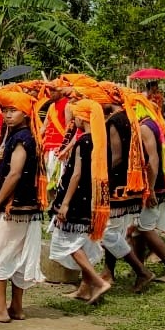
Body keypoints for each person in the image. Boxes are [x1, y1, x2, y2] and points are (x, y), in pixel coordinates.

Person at [0, 87, 46, 322]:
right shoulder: (24, 135)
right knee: (17, 254)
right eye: (5, 110)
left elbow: (14, 174)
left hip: (11, 208)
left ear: (25, 113)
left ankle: (0, 309)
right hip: (26, 207)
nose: (7, 115)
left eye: (13, 110)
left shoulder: (21, 138)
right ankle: (16, 307)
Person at [50, 100, 113, 304]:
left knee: (68, 243)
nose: (74, 120)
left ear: (83, 118)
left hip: (77, 198)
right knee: (83, 243)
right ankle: (84, 290)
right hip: (91, 197)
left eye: (76, 116)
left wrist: (65, 203)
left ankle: (98, 282)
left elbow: (76, 174)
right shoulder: (100, 140)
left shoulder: (84, 141)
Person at [99, 83, 156, 293]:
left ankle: (142, 271)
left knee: (107, 232)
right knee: (114, 231)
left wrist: (100, 177)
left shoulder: (115, 121)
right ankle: (108, 272)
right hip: (129, 183)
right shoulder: (129, 117)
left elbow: (116, 157)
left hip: (117, 184)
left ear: (110, 100)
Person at [128, 92, 165, 286]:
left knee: (145, 228)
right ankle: (140, 270)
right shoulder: (150, 124)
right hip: (150, 185)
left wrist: (150, 189)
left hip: (152, 186)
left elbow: (153, 160)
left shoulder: (145, 127)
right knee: (139, 229)